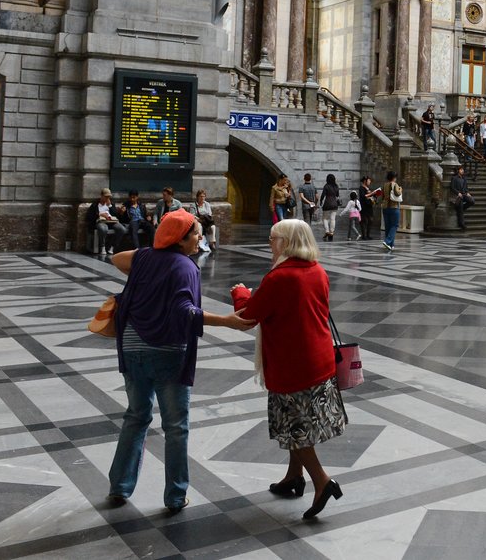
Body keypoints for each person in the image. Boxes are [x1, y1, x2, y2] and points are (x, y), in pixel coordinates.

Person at [107, 210, 253, 513]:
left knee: (136, 416)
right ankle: (175, 496)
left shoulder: (145, 258)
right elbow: (184, 312)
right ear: (181, 238)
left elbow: (117, 258)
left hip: (132, 348)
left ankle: (119, 486)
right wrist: (226, 321)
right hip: (167, 354)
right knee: (175, 426)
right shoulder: (185, 267)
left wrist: (150, 259)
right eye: (196, 232)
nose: (200, 237)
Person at [231, 220, 347, 521]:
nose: (270, 244)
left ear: (287, 242)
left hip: (292, 362)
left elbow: (250, 315)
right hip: (319, 358)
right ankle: (294, 476)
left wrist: (241, 294)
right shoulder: (318, 271)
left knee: (294, 427)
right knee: (298, 421)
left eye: (273, 239)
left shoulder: (280, 277)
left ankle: (322, 481)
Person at [87, 188, 128, 254]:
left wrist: (110, 206)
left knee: (122, 229)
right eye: (106, 197)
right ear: (102, 196)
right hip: (101, 221)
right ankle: (102, 247)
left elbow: (115, 215)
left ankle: (112, 246)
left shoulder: (111, 204)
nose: (107, 198)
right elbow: (89, 216)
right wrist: (100, 214)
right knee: (103, 229)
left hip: (111, 222)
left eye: (108, 197)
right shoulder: (95, 205)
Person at [380, 171, 402, 251]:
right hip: (394, 207)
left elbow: (382, 196)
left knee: (388, 226)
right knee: (395, 225)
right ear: (394, 177)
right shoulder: (394, 184)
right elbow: (397, 193)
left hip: (385, 207)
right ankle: (387, 241)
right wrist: (400, 189)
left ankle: (390, 245)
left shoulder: (384, 185)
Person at [449, 165, 472, 230]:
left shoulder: (464, 178)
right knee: (460, 208)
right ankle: (462, 224)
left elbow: (466, 187)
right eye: (461, 170)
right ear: (458, 170)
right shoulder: (454, 178)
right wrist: (458, 193)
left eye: (463, 169)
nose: (462, 171)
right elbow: (452, 187)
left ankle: (461, 209)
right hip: (458, 196)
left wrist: (467, 192)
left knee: (472, 201)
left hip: (464, 194)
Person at [320, 174, 341, 241]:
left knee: (325, 218)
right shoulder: (336, 186)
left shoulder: (326, 186)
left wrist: (321, 201)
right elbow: (337, 195)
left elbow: (323, 195)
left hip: (327, 203)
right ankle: (331, 233)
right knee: (333, 219)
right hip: (334, 204)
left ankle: (327, 231)